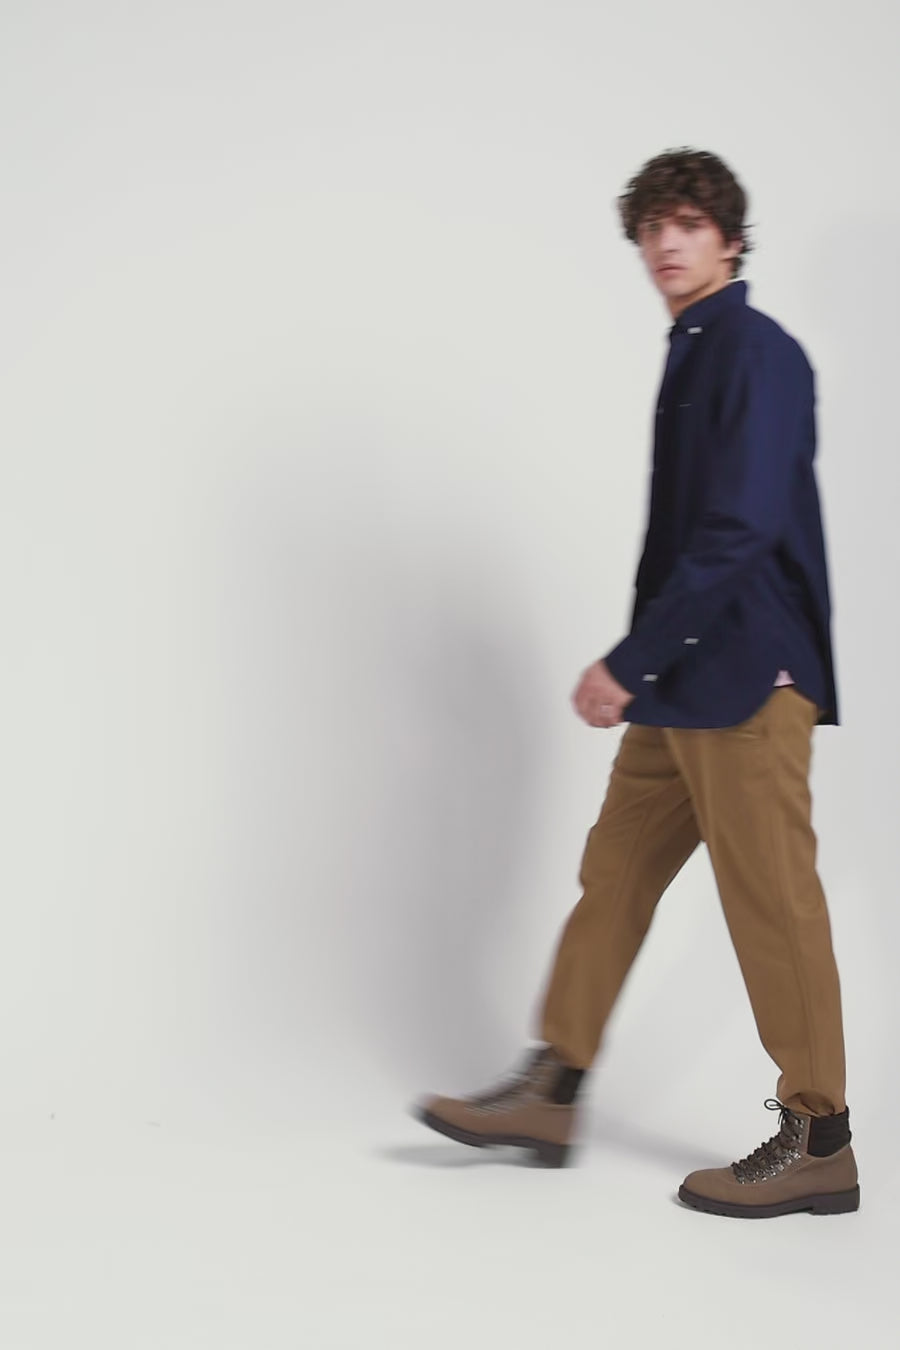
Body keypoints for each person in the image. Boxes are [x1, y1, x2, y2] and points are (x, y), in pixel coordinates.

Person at [411, 147, 859, 1219]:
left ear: (732, 240)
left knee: (772, 903)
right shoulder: (693, 351)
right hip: (684, 681)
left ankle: (820, 1139)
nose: (666, 242)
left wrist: (627, 659)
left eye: (688, 224)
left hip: (747, 678)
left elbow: (741, 528)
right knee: (612, 873)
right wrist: (652, 663)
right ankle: (553, 1090)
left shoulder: (757, 351)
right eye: (653, 227)